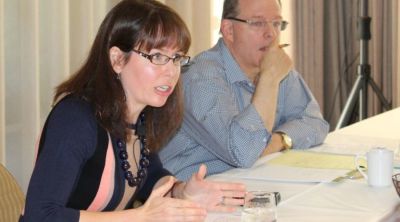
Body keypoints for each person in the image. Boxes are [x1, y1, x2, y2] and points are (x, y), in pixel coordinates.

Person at [20, 0, 246, 221]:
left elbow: (150, 176)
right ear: (117, 59)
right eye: (157, 56)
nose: (171, 72)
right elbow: (40, 214)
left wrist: (182, 192)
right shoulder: (75, 118)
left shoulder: (140, 116)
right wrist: (138, 217)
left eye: (176, 58)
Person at [159, 0, 330, 181]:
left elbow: (315, 123)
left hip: (250, 182)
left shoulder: (275, 67)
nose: (271, 34)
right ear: (229, 30)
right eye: (257, 23)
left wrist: (280, 141)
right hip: (191, 195)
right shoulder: (201, 77)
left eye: (277, 24)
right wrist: (269, 80)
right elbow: (244, 152)